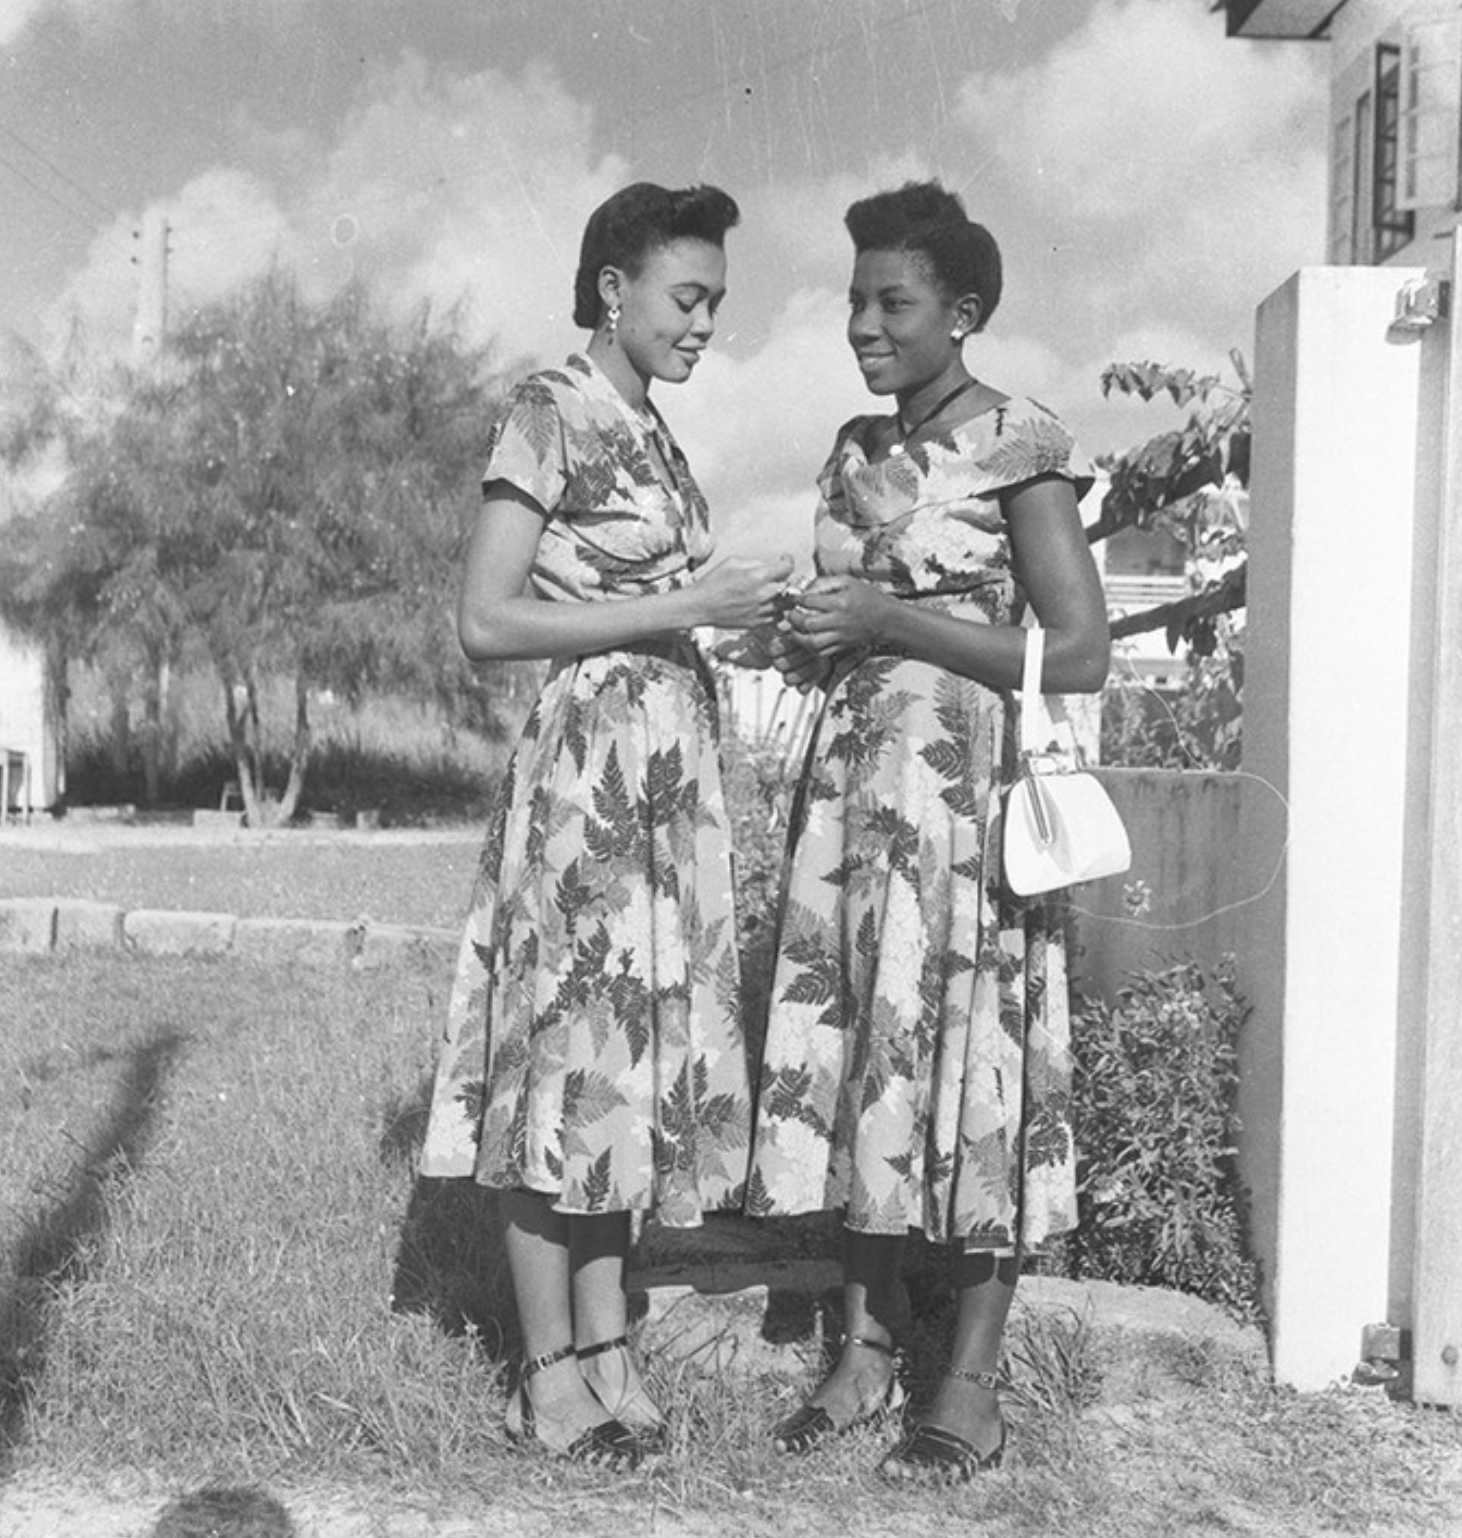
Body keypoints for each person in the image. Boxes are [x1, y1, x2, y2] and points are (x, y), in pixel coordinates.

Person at [418, 181, 792, 1470]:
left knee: (628, 1069)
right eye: (688, 299)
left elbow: (657, 602)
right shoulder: (550, 408)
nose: (703, 326)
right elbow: (486, 620)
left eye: (716, 305)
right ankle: (545, 1374)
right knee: (558, 1069)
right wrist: (681, 600)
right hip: (589, 776)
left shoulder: (656, 433)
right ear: (612, 290)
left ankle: (608, 1348)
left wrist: (732, 614)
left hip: (666, 779)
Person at [742, 180, 1109, 1483]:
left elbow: (1078, 648)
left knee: (975, 1066)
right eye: (853, 299)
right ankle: (859, 1353)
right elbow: (844, 619)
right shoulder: (851, 448)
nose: (862, 323)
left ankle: (972, 1384)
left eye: (892, 301)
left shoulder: (1021, 439)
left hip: (965, 815)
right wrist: (801, 631)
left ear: (961, 311)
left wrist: (890, 622)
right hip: (852, 800)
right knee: (864, 1057)